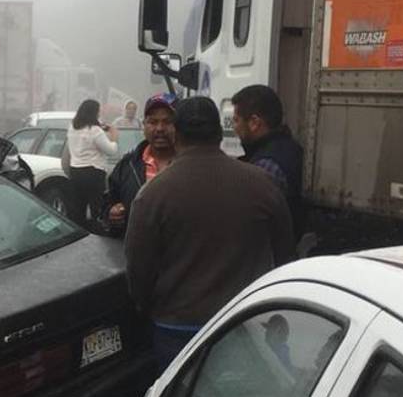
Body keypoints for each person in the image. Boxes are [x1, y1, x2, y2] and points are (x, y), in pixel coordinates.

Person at [125, 96, 295, 373]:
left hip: (177, 329)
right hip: (245, 324)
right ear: (219, 134)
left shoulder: (152, 195)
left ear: (176, 135)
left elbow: (139, 270)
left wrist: (148, 307)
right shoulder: (262, 184)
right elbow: (285, 257)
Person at [231, 85, 305, 233]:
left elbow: (250, 223)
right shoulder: (290, 147)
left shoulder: (267, 167)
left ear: (254, 123)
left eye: (236, 120)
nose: (234, 127)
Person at [101, 93, 177, 236]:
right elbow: (107, 207)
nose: (160, 128)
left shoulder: (190, 166)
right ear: (144, 125)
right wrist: (111, 214)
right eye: (153, 122)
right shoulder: (127, 165)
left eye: (167, 122)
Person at [66, 99, 118, 229]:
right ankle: (97, 233)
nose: (99, 114)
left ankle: (78, 234)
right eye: (98, 111)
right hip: (93, 172)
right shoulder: (95, 131)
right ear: (93, 113)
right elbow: (111, 151)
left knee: (78, 207)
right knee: (97, 207)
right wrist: (114, 137)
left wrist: (102, 126)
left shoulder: (72, 127)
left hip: (75, 171)